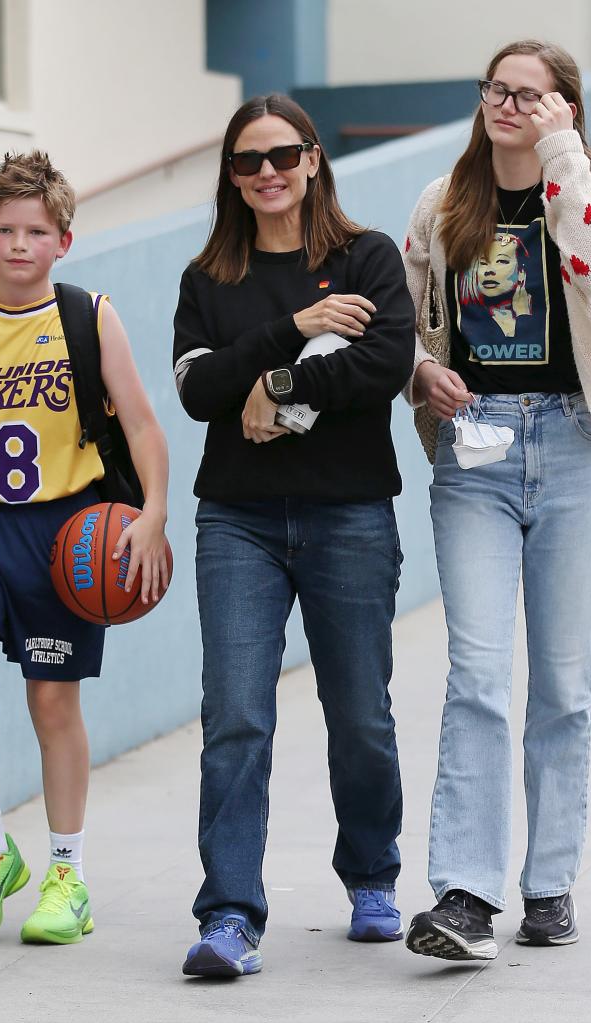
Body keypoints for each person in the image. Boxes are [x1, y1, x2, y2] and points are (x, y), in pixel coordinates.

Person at [401, 40, 591, 961]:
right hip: (476, 452)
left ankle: (548, 884)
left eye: (531, 96)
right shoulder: (442, 203)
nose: (508, 105)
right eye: (497, 91)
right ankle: (465, 893)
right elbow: (409, 329)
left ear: (565, 109)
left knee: (563, 685)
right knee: (475, 673)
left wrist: (561, 159)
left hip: (576, 446)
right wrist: (424, 374)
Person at [172, 94, 414, 977]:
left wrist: (272, 388)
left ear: (314, 158)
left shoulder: (368, 256)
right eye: (246, 162)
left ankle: (373, 879)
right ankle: (230, 914)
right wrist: (298, 331)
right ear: (231, 177)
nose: (266, 173)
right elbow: (199, 393)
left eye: (281, 155)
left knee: (359, 714)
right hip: (236, 519)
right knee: (236, 717)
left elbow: (383, 365)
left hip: (348, 512)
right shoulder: (210, 279)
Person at [0, 151, 169, 947]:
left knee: (52, 703)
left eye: (38, 231)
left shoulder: (89, 316)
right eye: (6, 230)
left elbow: (143, 423)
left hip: (67, 535)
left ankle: (66, 872)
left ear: (65, 240)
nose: (21, 244)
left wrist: (152, 511)